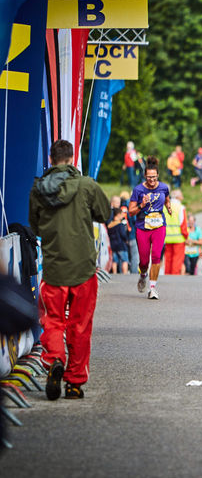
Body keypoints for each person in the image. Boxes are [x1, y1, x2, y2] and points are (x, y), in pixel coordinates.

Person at [29, 140, 111, 400]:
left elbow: (35, 227)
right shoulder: (87, 185)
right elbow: (105, 213)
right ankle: (74, 384)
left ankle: (54, 359)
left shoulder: (38, 189)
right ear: (72, 157)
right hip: (83, 268)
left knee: (52, 321)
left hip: (54, 267)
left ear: (51, 159)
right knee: (80, 325)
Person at [129, 156, 172, 300]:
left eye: (154, 177)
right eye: (149, 177)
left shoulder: (164, 187)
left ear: (157, 175)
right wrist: (141, 205)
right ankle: (143, 275)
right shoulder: (138, 189)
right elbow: (131, 211)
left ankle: (152, 288)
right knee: (143, 260)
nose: (152, 180)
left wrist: (169, 206)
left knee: (156, 256)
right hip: (143, 226)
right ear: (145, 176)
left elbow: (166, 198)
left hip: (159, 225)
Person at [163, 189, 188, 275]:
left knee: (168, 260)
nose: (183, 197)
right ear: (177, 196)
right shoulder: (180, 208)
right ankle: (174, 278)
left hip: (167, 238)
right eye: (181, 195)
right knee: (177, 261)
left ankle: (167, 277)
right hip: (179, 238)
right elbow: (183, 225)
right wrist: (186, 237)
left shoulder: (165, 207)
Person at [106, 196, 130, 274]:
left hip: (113, 243)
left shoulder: (111, 224)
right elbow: (122, 234)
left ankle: (115, 273)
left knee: (115, 260)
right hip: (121, 244)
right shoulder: (118, 223)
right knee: (125, 260)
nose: (118, 204)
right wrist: (126, 239)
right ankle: (125, 274)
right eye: (117, 202)